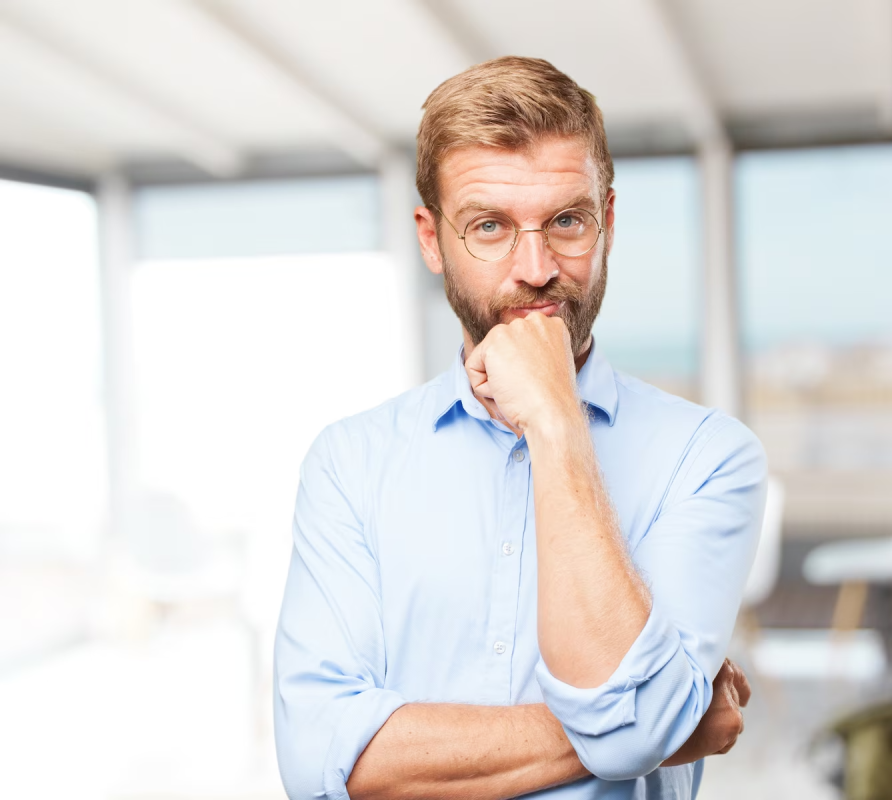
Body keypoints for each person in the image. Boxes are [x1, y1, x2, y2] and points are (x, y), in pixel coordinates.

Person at [273, 56, 768, 800]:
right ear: (432, 240)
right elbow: (318, 762)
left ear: (607, 220)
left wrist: (555, 418)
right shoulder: (351, 463)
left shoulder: (708, 458)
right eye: (490, 227)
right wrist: (656, 725)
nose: (536, 268)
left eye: (567, 220)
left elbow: (636, 729)